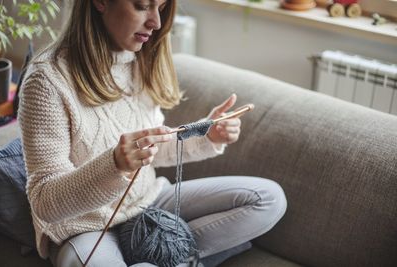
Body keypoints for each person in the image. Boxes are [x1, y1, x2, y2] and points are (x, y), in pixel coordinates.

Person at [18, 0, 287, 266]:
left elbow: (154, 149)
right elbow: (44, 202)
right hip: (84, 228)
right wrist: (114, 165)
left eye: (160, 8)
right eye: (142, 5)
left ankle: (164, 257)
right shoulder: (46, 80)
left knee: (268, 199)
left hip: (149, 203)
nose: (156, 22)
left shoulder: (141, 57)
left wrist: (207, 135)